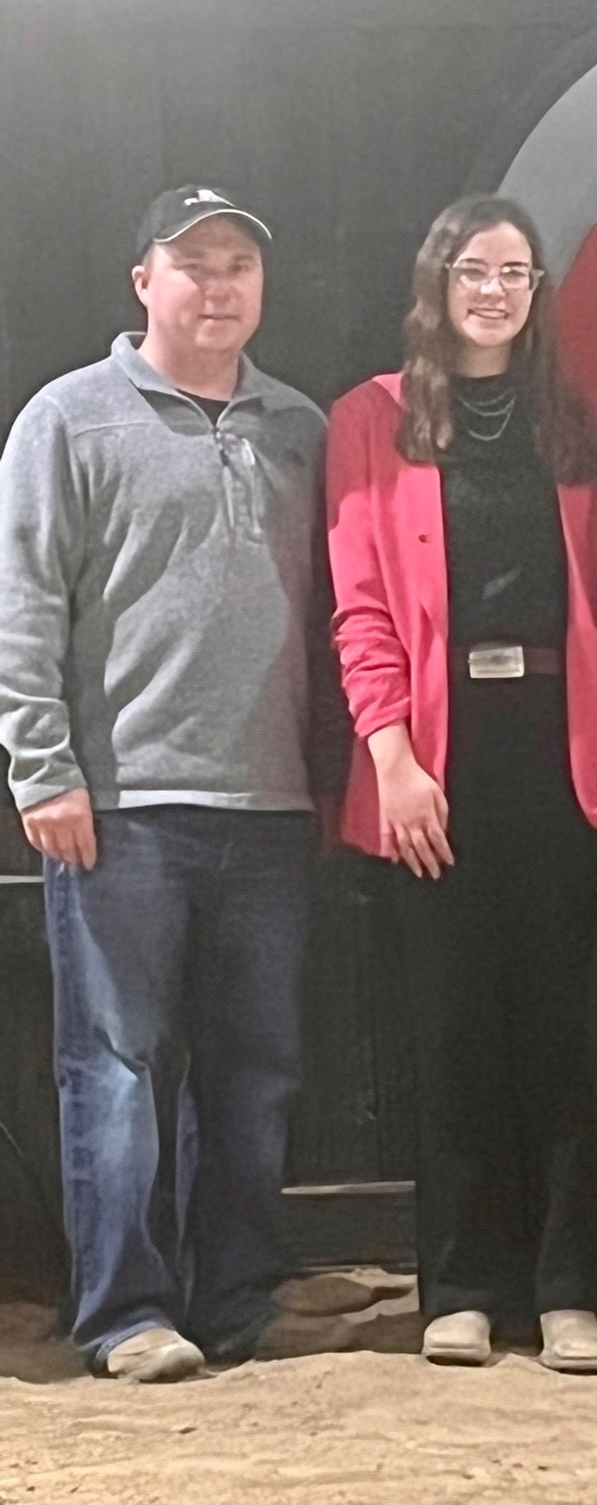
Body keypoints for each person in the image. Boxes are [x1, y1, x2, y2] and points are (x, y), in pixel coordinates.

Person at [0, 186, 342, 1380]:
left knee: (256, 1079)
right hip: (120, 809)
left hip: (271, 811)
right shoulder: (68, 421)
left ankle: (238, 1298)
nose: (217, 283)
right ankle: (128, 1312)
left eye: (238, 262)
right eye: (191, 262)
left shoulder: (301, 427)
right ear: (142, 281)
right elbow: (25, 608)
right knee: (116, 1066)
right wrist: (44, 771)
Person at [326, 195, 597, 1372]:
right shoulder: (374, 418)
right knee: (452, 1031)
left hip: (561, 757)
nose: (493, 289)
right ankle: (459, 1285)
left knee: (565, 1033)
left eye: (514, 270)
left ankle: (566, 1287)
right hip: (432, 764)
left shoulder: (580, 419)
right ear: (436, 280)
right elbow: (358, 605)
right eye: (472, 268)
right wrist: (391, 756)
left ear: (539, 286)